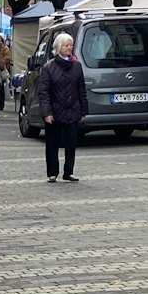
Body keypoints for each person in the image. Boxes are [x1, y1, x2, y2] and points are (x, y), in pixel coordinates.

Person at [37, 31, 89, 183]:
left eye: (71, 45)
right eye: (66, 45)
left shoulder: (77, 66)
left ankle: (69, 172)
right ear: (59, 47)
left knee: (71, 144)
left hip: (72, 110)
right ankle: (52, 173)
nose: (69, 48)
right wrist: (47, 112)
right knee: (52, 143)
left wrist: (83, 109)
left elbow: (81, 89)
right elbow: (44, 92)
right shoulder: (48, 67)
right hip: (54, 111)